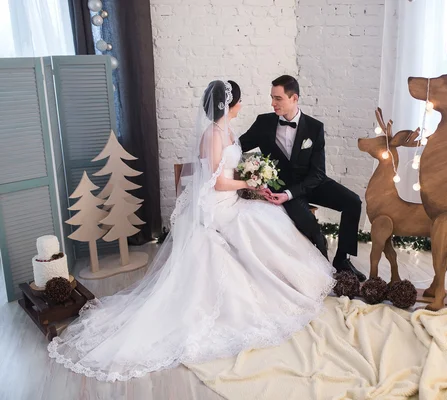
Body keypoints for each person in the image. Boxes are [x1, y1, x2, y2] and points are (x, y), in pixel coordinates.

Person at [48, 80, 336, 382]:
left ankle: (290, 279)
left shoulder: (229, 131)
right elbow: (217, 182)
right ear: (229, 104)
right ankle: (272, 287)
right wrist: (248, 183)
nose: (242, 105)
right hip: (218, 205)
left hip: (232, 199)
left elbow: (233, 169)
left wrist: (255, 178)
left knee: (271, 218)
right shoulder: (212, 136)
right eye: (239, 101)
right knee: (258, 224)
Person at [240, 75, 366, 282]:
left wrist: (292, 193)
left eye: (278, 98)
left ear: (294, 98)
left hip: (311, 183)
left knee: (353, 202)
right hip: (282, 187)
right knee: (313, 229)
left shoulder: (315, 128)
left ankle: (342, 259)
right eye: (272, 97)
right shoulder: (264, 123)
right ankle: (325, 274)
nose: (273, 103)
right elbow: (237, 147)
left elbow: (318, 173)